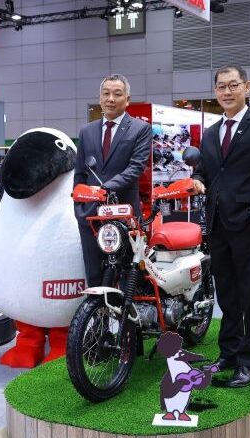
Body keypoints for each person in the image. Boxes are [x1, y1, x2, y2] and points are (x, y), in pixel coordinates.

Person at [191, 65, 250, 388]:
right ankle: (228, 354)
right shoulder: (211, 132)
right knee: (227, 294)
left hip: (248, 226)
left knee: (249, 296)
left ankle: (247, 362)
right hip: (217, 225)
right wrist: (196, 179)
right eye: (221, 87)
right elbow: (205, 170)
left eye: (233, 85)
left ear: (247, 87)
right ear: (215, 91)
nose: (227, 92)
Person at [74, 74, 152, 287]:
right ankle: (98, 309)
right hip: (90, 215)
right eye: (106, 93)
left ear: (127, 100)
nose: (110, 98)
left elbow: (135, 168)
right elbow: (80, 173)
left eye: (117, 94)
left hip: (124, 213)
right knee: (94, 275)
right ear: (100, 98)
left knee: (128, 277)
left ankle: (126, 310)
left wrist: (104, 189)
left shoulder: (140, 129)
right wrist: (79, 207)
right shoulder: (87, 131)